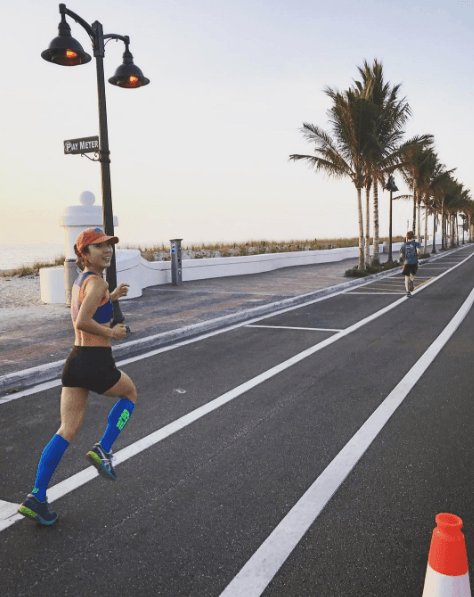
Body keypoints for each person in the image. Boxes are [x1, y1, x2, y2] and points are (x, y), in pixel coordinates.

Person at [18, 228, 136, 525]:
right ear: (84, 254)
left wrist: (112, 296)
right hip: (96, 362)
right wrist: (113, 333)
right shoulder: (98, 282)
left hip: (75, 361)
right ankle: (104, 449)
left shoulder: (82, 281)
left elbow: (90, 306)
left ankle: (37, 495)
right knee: (130, 393)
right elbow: (84, 321)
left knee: (66, 429)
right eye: (98, 247)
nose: (107, 250)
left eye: (108, 245)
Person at [400, 230, 421, 297]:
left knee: (406, 278)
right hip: (414, 262)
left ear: (407, 237)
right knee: (413, 274)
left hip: (406, 262)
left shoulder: (404, 245)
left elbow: (401, 255)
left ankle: (408, 292)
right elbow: (418, 251)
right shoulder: (416, 243)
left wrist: (402, 259)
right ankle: (411, 280)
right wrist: (417, 255)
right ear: (413, 236)